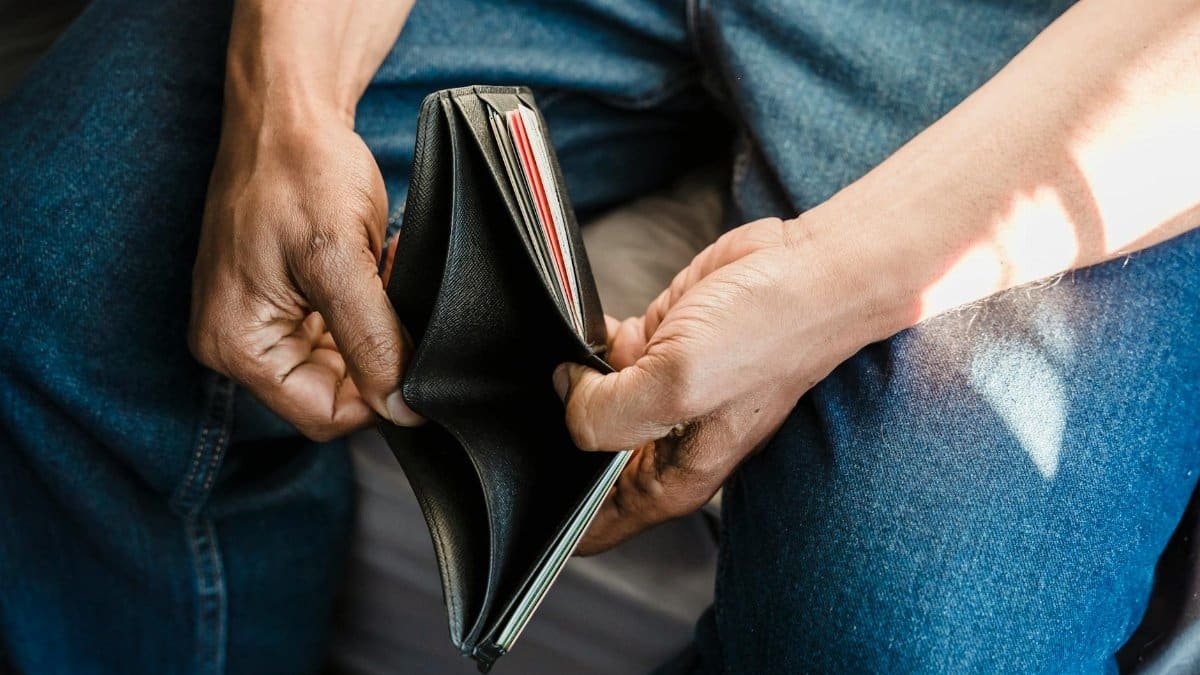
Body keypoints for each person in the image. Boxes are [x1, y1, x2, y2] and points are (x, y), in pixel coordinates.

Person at [1, 0, 1198, 672]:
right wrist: (287, 92)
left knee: (902, 641)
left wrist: (838, 280)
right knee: (63, 256)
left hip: (1085, 49)